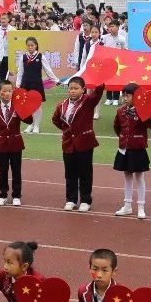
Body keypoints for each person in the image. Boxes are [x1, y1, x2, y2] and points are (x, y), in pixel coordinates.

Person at [53, 75, 104, 212]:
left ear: (83, 89)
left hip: (85, 143)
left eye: (76, 88)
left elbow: (98, 93)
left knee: (85, 173)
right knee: (70, 173)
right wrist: (67, 131)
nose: (73, 91)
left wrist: (100, 77)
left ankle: (86, 200)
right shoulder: (62, 105)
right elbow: (56, 120)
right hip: (68, 144)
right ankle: (71, 199)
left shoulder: (88, 101)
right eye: (71, 88)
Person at [112, 82, 151, 219]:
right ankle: (127, 205)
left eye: (128, 95)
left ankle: (141, 207)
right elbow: (117, 127)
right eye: (124, 95)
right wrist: (124, 139)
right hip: (125, 148)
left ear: (136, 96)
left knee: (140, 177)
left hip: (138, 148)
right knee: (127, 176)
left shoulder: (142, 110)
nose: (125, 98)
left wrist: (147, 113)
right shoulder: (121, 111)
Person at [0, 81, 30, 207]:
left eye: (10, 91)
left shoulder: (17, 106)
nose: (7, 93)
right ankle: (3, 194)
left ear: (13, 92)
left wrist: (26, 109)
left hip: (15, 143)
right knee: (3, 170)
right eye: (4, 91)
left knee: (16, 170)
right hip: (1, 144)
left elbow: (29, 120)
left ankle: (16, 195)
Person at [16, 36, 57, 134]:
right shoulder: (23, 57)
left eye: (32, 45)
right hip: (25, 84)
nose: (30, 47)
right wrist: (18, 85)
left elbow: (48, 70)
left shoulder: (40, 56)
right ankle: (30, 124)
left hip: (36, 84)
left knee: (37, 105)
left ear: (36, 46)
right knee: (27, 105)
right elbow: (20, 71)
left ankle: (36, 126)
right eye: (28, 46)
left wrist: (55, 79)